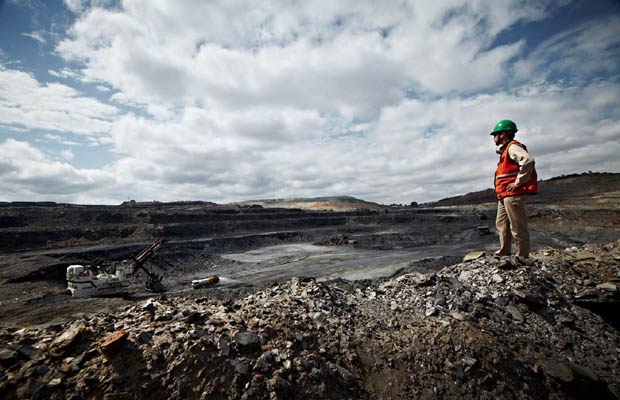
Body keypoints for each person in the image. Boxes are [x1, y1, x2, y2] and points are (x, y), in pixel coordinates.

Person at [490, 120, 538, 257]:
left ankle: (522, 255)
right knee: (501, 224)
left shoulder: (512, 147)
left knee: (517, 226)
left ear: (503, 134)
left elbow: (528, 161)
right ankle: (504, 251)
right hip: (504, 195)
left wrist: (518, 182)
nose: (494, 138)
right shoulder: (505, 150)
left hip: (513, 194)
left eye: (495, 135)